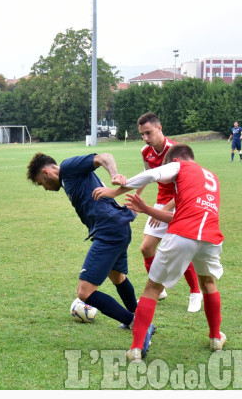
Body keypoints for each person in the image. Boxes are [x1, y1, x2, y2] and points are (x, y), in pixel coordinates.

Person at [92, 144, 226, 361]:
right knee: (208, 283)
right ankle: (215, 338)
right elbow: (182, 216)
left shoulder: (179, 166)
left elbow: (153, 174)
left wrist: (114, 192)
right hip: (210, 238)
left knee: (152, 289)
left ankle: (135, 348)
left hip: (183, 235)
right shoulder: (211, 178)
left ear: (174, 161)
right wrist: (146, 210)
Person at [26, 152, 155, 344]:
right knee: (117, 277)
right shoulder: (69, 180)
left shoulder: (68, 167)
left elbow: (105, 157)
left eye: (40, 183)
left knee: (84, 292)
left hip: (109, 231)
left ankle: (137, 323)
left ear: (46, 172)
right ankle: (139, 319)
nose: (44, 188)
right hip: (116, 227)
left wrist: (114, 175)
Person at [136, 112, 202, 312]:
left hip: (179, 204)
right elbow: (148, 177)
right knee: (146, 248)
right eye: (142, 135)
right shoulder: (145, 152)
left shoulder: (176, 152)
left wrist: (166, 208)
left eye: (149, 133)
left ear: (159, 128)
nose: (146, 138)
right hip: (160, 204)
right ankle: (160, 289)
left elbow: (187, 185)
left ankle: (195, 293)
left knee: (181, 251)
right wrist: (136, 199)